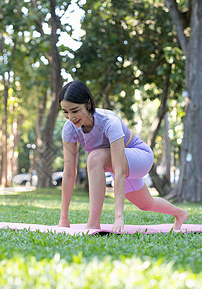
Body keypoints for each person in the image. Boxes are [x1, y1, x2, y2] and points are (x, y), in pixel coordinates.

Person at [57, 80, 188, 233]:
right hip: (118, 163)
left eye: (75, 110)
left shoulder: (108, 121)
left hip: (140, 157)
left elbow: (119, 170)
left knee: (94, 157)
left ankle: (93, 223)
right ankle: (180, 214)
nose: (71, 117)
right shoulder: (70, 129)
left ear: (88, 104)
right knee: (146, 204)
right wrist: (63, 217)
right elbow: (69, 172)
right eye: (65, 112)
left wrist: (118, 216)